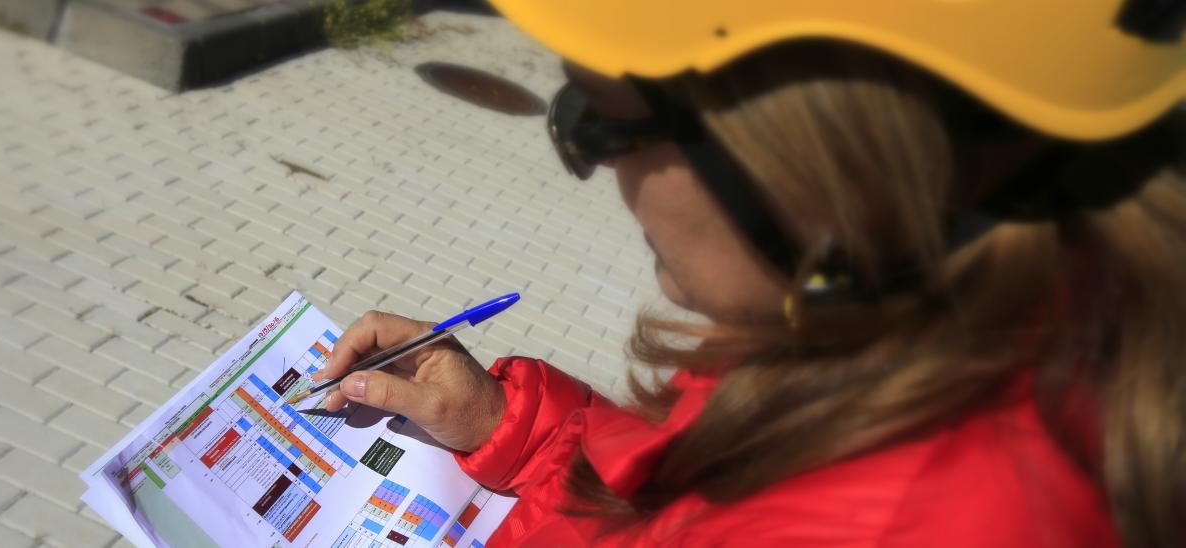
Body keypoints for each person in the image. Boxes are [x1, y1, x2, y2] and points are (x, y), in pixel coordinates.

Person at [313, 1, 1186, 546]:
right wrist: (516, 428)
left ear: (814, 160)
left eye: (596, 122)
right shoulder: (870, 342)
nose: (601, 174)